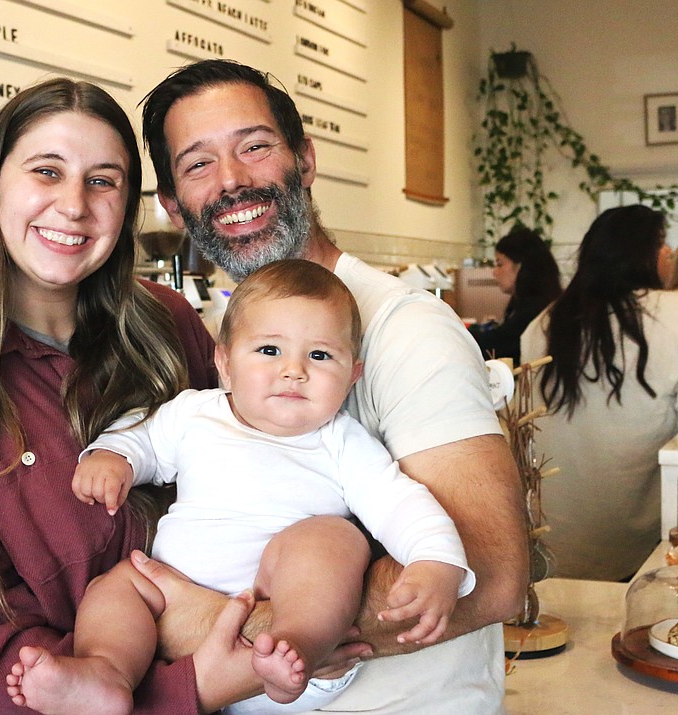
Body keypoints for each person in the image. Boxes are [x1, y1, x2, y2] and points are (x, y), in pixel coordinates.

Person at [0, 77, 305, 714]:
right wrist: (199, 682)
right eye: (47, 171)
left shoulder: (168, 328)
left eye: (103, 180)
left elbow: (253, 480)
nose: (73, 205)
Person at [136, 59, 528, 714]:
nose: (232, 180)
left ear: (305, 160)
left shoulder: (406, 330)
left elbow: (493, 576)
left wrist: (220, 624)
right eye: (198, 164)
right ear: (175, 207)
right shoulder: (220, 344)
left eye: (254, 147)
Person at [10, 259, 474, 715]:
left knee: (331, 538)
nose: (294, 371)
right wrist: (114, 457)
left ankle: (295, 642)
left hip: (291, 639)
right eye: (270, 350)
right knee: (117, 586)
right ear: (225, 362)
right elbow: (142, 436)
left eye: (319, 355)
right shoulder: (194, 413)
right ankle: (107, 674)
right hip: (172, 605)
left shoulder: (341, 441)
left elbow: (400, 502)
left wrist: (437, 561)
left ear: (352, 375)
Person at [520, 205, 678, 581]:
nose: (668, 253)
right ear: (640, 254)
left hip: (552, 539)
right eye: (661, 243)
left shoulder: (545, 321)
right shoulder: (674, 310)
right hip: (639, 545)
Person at [469, 226, 562, 363]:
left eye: (499, 264)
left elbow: (498, 344)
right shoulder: (527, 301)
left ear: (521, 266)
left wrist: (457, 331)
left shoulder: (535, 307)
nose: (494, 272)